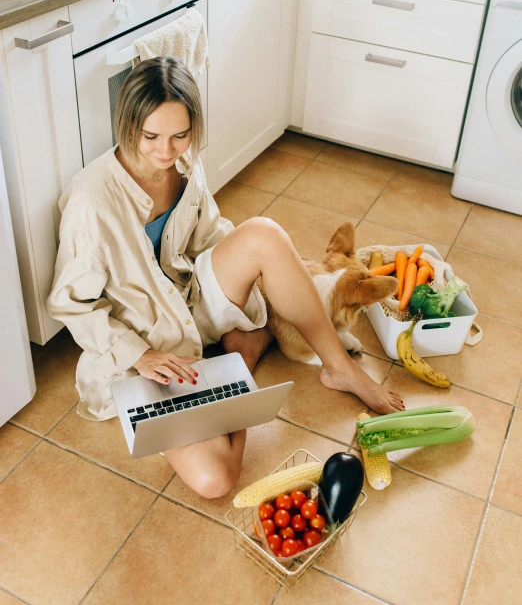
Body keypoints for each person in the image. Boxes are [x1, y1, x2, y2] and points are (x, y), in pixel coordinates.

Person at [47, 56, 404, 500]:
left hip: (190, 300)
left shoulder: (183, 164)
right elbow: (69, 304)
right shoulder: (91, 201)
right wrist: (139, 354)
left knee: (265, 235)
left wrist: (261, 275)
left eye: (180, 135)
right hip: (144, 346)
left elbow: (214, 236)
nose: (166, 150)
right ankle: (246, 353)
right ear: (127, 125)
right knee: (214, 480)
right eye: (151, 136)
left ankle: (341, 369)